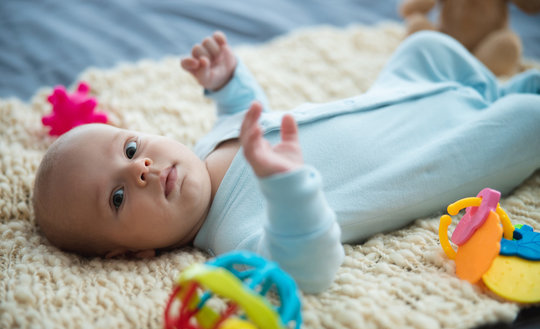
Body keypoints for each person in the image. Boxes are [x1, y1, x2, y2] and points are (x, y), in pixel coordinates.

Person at [33, 30, 540, 293]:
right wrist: (288, 188)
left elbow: (246, 112)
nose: (139, 169)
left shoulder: (206, 146)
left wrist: (228, 81)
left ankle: (493, 86)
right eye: (117, 197)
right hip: (437, 153)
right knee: (525, 119)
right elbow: (311, 267)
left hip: (397, 98)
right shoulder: (240, 239)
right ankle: (509, 100)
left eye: (129, 149)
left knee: (425, 48)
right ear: (132, 256)